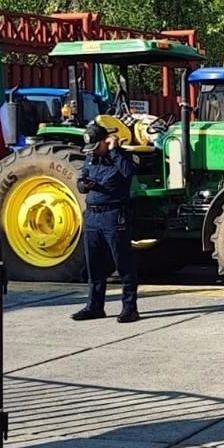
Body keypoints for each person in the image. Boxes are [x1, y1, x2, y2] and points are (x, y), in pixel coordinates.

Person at [71, 122, 139, 323]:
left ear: (105, 142)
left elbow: (128, 173)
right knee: (94, 264)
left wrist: (114, 150)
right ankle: (94, 306)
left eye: (96, 146)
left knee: (123, 263)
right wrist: (83, 185)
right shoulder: (91, 158)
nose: (92, 151)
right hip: (92, 216)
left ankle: (129, 308)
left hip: (113, 216)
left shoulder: (120, 157)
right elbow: (82, 179)